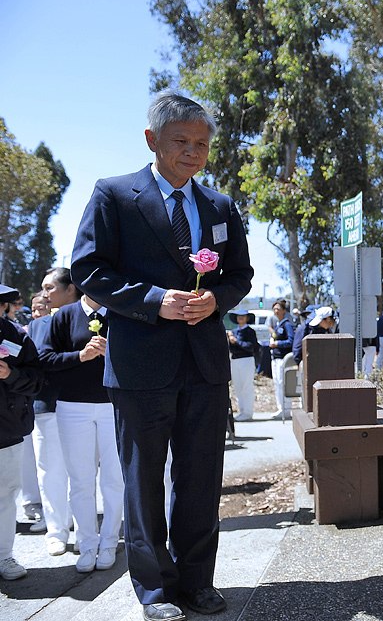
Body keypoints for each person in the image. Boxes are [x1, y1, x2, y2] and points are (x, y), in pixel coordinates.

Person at [70, 91, 253, 621]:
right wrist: (155, 302)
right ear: (152, 140)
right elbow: (89, 269)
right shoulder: (114, 195)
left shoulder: (219, 206)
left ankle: (198, 582)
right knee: (143, 481)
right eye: (182, 142)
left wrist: (217, 298)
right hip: (139, 366)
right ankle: (155, 589)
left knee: (201, 479)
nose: (194, 153)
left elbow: (240, 273)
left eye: (202, 143)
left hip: (204, 366)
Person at [40, 293, 123, 573]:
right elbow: (46, 359)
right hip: (72, 407)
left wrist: (112, 349)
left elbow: (139, 355)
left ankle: (110, 541)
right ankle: (86, 544)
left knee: (114, 479)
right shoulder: (64, 315)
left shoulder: (119, 311)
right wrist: (81, 355)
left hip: (114, 405)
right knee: (81, 481)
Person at [28, 268, 80, 557]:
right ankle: (56, 531)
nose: (44, 295)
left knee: (82, 473)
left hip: (84, 404)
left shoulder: (89, 318)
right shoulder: (37, 326)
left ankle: (84, 527)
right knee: (49, 471)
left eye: (50, 288)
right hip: (47, 406)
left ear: (70, 288)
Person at [0, 284, 43, 581]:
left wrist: (10, 374)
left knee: (5, 496)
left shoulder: (15, 335)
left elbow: (37, 379)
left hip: (7, 429)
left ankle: (4, 556)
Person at [227, 309, 257, 422]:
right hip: (235, 360)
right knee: (238, 387)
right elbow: (231, 348)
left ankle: (248, 412)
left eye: (243, 316)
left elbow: (251, 346)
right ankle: (242, 410)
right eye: (239, 316)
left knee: (247, 386)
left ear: (247, 318)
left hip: (247, 360)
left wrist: (236, 342)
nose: (240, 318)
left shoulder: (250, 331)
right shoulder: (233, 331)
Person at [268, 299, 294, 421]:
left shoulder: (287, 324)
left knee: (283, 383)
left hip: (283, 359)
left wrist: (277, 343)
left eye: (278, 309)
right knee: (277, 383)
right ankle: (281, 408)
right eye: (274, 309)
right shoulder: (278, 325)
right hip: (276, 358)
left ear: (284, 310)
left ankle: (286, 409)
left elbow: (290, 341)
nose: (276, 311)